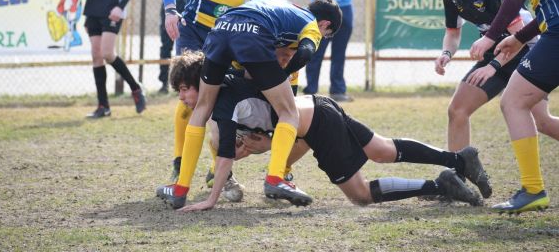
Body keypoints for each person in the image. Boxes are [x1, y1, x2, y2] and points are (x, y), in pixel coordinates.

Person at [162, 50, 488, 212]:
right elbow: (267, 125)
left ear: (200, 84)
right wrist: (264, 142)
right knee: (383, 150)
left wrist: (211, 200)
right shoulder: (231, 83)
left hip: (317, 123)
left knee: (360, 196)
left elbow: (224, 159)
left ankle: (440, 184)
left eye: (184, 89)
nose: (182, 97)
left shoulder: (222, 104)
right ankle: (459, 160)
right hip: (317, 105)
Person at [157, 0, 343, 209]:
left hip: (222, 26)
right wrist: (278, 76)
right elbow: (306, 52)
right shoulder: (310, 23)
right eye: (325, 35)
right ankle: (276, 178)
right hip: (251, 33)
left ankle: (180, 189)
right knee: (290, 113)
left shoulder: (280, 5)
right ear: (325, 25)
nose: (322, 36)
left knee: (202, 108)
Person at [158, 0, 271, 182]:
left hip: (227, 37)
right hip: (194, 30)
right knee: (191, 97)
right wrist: (170, 10)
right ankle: (179, 161)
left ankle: (217, 170)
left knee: (221, 102)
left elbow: (260, 4)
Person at [469, 0, 559, 213]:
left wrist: (492, 36)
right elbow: (549, 7)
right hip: (552, 31)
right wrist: (518, 38)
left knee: (513, 102)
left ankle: (533, 189)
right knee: (536, 113)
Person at [431, 0, 559, 154]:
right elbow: (453, 32)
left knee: (543, 123)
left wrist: (493, 67)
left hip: (525, 49)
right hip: (496, 53)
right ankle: (458, 178)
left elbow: (517, 37)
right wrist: (446, 53)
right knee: (457, 111)